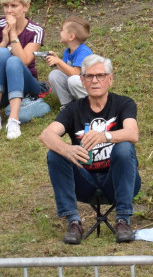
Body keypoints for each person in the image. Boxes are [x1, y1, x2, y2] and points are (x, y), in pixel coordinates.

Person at [40, 54, 141, 245]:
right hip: (84, 182)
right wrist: (67, 149)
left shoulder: (124, 104)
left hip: (117, 181)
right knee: (55, 153)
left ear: (110, 79)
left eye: (100, 76)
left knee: (125, 147)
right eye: (89, 76)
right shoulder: (73, 110)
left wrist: (105, 136)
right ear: (82, 81)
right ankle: (73, 222)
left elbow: (132, 133)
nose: (95, 80)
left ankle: (123, 220)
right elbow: (46, 135)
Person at [0, 0, 46, 139]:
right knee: (2, 52)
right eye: (5, 6)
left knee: (14, 61)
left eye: (14, 6)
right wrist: (3, 42)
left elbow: (24, 61)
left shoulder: (36, 30)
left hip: (25, 86)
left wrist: (13, 34)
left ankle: (13, 120)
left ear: (26, 7)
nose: (8, 10)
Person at [41, 17, 94, 107]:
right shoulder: (68, 51)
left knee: (73, 80)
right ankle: (68, 105)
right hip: (76, 85)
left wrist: (59, 62)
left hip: (90, 88)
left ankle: (88, 105)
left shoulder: (84, 51)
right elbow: (65, 70)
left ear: (71, 36)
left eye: (62, 30)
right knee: (54, 74)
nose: (60, 32)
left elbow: (75, 73)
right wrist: (56, 61)